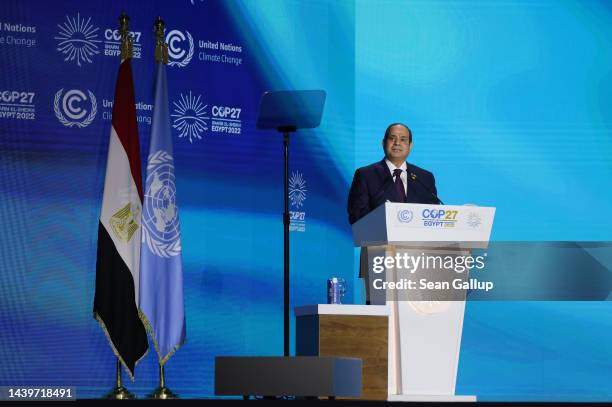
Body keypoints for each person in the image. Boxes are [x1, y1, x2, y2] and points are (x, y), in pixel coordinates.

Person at [347, 123, 439, 225]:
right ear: (383, 143)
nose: (397, 143)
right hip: (379, 239)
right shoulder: (365, 175)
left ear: (410, 145)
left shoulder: (425, 178)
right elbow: (357, 215)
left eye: (403, 139)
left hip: (417, 240)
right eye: (392, 138)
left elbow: (434, 216)